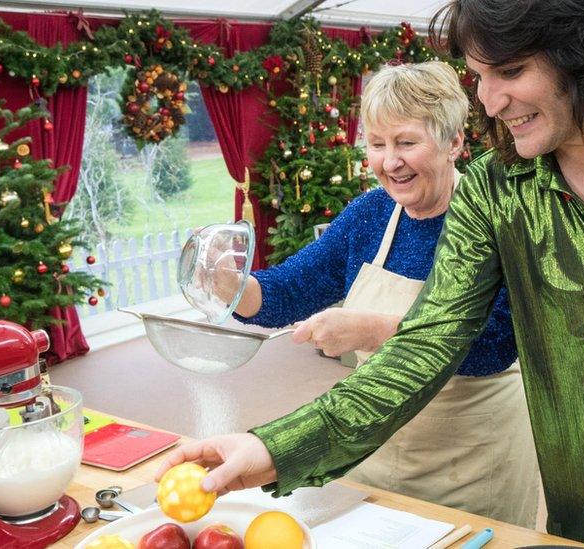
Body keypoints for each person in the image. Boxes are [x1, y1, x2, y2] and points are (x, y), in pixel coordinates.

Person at [159, 1, 584, 545]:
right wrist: (269, 446)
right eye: (478, 75)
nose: (488, 100)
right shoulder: (500, 188)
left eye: (510, 71)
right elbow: (425, 348)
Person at [199, 61, 539, 527]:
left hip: (473, 457)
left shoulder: (491, 218)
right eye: (377, 145)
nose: (389, 161)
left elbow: (497, 346)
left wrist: (375, 331)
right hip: (375, 447)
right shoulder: (370, 214)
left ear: (454, 141)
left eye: (406, 142)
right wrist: (231, 284)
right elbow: (289, 291)